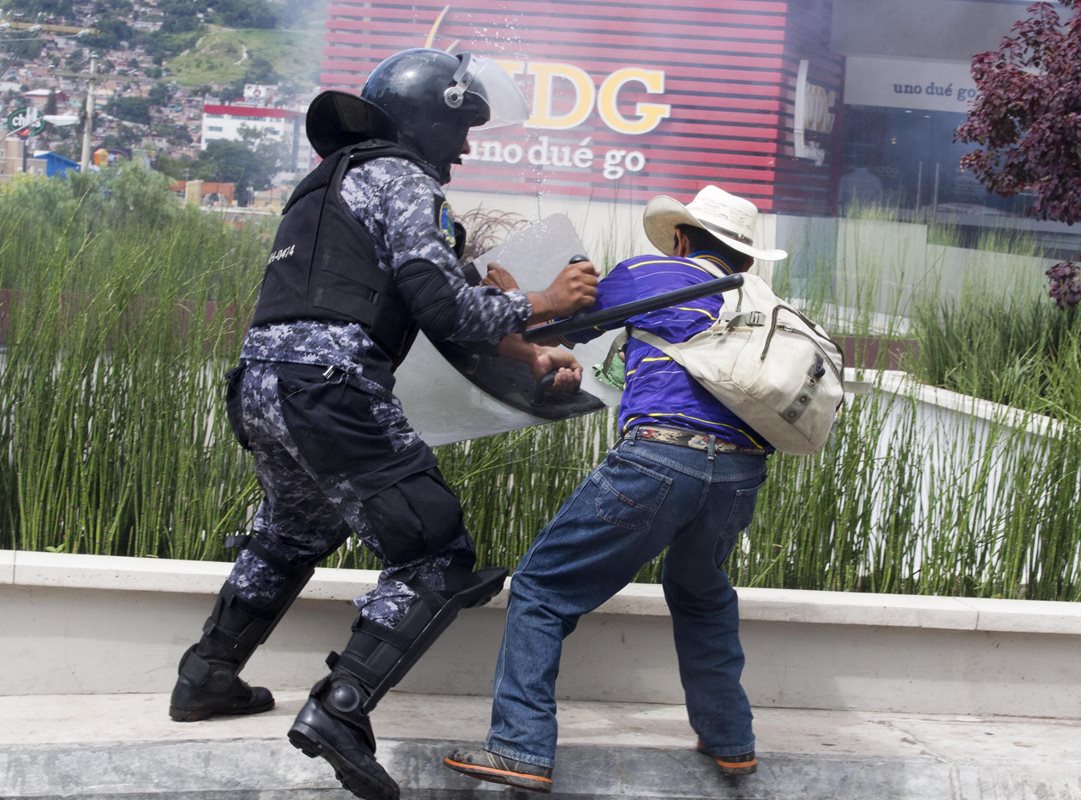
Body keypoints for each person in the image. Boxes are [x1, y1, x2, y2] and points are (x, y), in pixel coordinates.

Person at [167, 48, 597, 800]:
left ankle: (206, 675)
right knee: (436, 552)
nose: (464, 148)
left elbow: (426, 296)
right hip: (336, 390)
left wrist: (526, 351)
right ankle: (341, 710)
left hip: (263, 387)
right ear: (428, 120)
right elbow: (448, 310)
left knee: (291, 534)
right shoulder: (404, 180)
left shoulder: (324, 187)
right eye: (461, 129)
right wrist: (545, 303)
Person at [443, 185, 786, 793]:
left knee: (543, 589)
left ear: (681, 239)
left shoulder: (656, 271)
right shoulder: (761, 300)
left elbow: (559, 325)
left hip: (660, 457)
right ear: (748, 259)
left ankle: (520, 748)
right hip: (740, 474)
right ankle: (731, 741)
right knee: (702, 593)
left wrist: (506, 297)